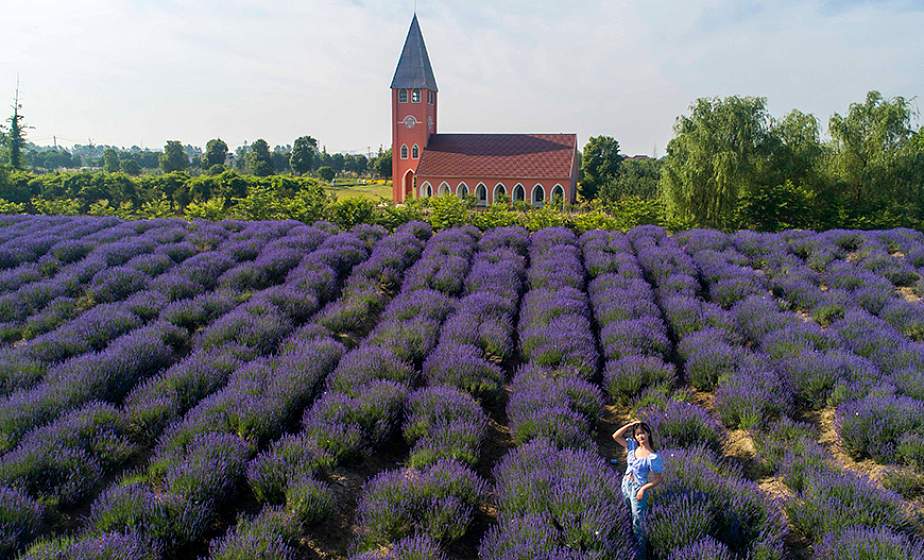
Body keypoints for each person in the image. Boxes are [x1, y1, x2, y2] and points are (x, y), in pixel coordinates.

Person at [612, 420, 664, 559]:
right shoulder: (632, 446)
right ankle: (628, 547)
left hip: (638, 490)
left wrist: (643, 489)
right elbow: (615, 436)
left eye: (643, 433)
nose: (640, 436)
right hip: (625, 485)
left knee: (638, 523)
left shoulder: (653, 456)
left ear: (648, 433)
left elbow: (658, 479)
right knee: (626, 515)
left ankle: (641, 555)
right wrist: (630, 425)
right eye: (637, 434)